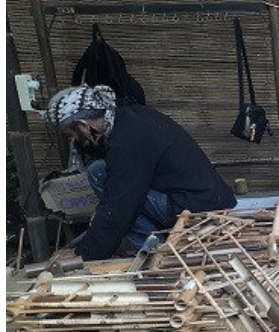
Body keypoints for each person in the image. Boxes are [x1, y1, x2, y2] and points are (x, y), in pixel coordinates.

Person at [43, 84, 236, 262]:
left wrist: (84, 253)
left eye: (74, 133)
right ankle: (156, 240)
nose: (76, 139)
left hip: (196, 206)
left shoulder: (128, 140)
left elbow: (118, 205)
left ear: (84, 126)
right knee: (104, 173)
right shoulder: (128, 117)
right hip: (206, 197)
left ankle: (154, 249)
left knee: (105, 181)